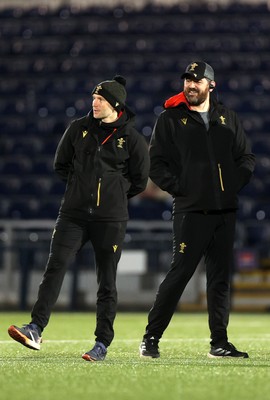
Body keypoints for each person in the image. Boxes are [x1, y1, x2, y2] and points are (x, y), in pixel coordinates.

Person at [8, 75, 150, 362]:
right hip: (72, 214)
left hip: (110, 219)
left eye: (100, 99)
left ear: (115, 104)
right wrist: (79, 189)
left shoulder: (132, 139)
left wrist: (112, 195)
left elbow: (139, 180)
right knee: (55, 267)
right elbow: (61, 165)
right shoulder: (78, 128)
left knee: (106, 282)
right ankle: (36, 328)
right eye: (93, 98)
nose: (94, 103)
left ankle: (101, 343)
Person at [139, 61, 255, 359]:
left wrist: (231, 185)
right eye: (187, 80)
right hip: (190, 210)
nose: (190, 85)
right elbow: (155, 163)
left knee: (219, 279)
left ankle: (219, 343)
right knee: (180, 274)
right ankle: (150, 338)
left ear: (211, 85)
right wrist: (181, 188)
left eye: (197, 80)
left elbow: (245, 158)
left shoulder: (227, 117)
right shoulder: (170, 118)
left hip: (225, 211)